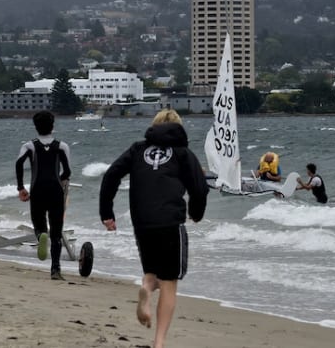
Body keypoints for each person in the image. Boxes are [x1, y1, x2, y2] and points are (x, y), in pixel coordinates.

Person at [99, 109, 208, 348]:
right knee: (169, 282)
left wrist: (106, 212)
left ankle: (147, 288)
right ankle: (159, 342)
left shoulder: (137, 150)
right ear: (179, 128)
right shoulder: (182, 153)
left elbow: (111, 175)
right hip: (170, 222)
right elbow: (200, 188)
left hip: (143, 223)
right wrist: (196, 213)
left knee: (152, 273)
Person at [15, 110, 72, 280]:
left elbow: (18, 164)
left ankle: (41, 236)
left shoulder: (29, 146)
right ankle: (55, 270)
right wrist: (59, 181)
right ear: (52, 126)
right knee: (56, 232)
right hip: (55, 191)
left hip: (38, 190)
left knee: (39, 224)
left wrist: (21, 188)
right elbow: (67, 172)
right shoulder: (62, 146)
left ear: (35, 127)